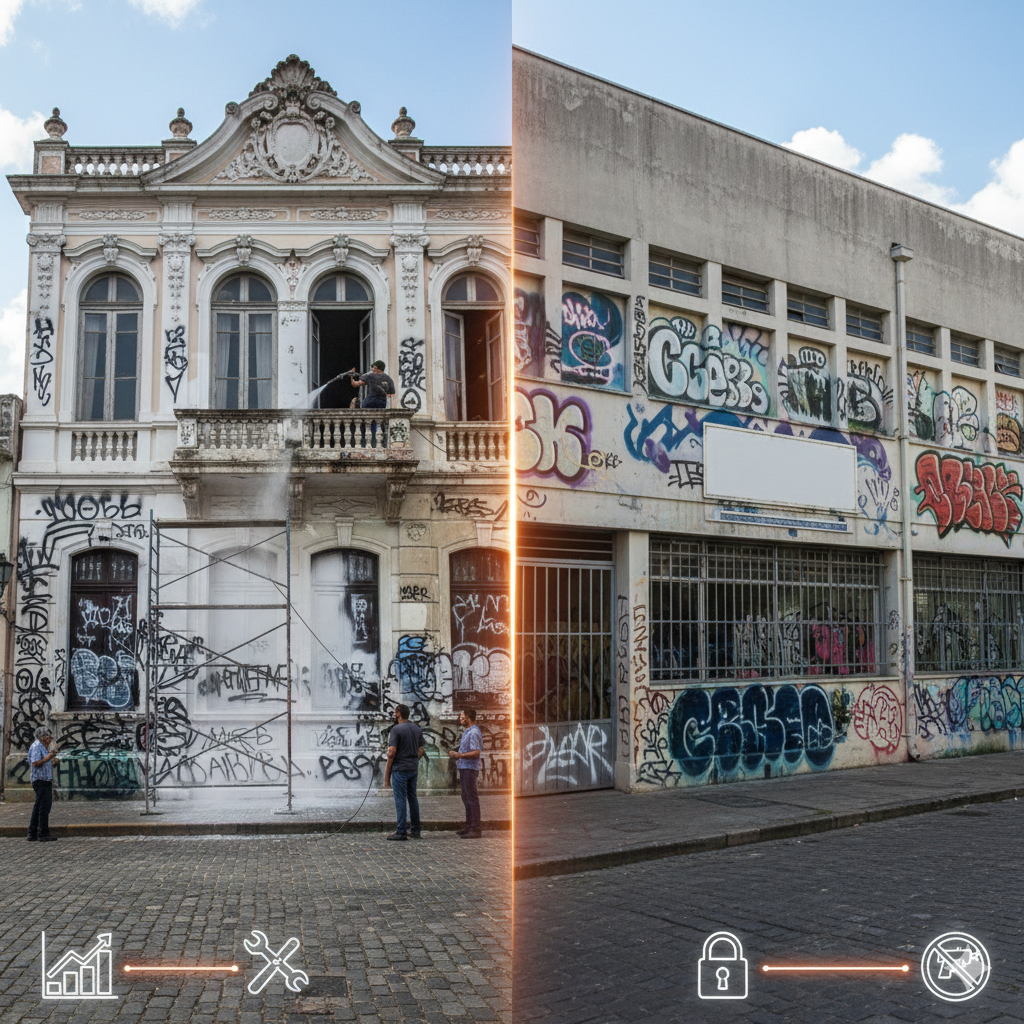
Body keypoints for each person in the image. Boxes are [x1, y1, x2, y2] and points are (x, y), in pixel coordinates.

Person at [383, 704, 424, 841]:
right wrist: (412, 760)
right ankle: (416, 830)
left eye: (395, 712)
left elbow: (391, 752)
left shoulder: (396, 730)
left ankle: (401, 831)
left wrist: (386, 777)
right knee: (413, 798)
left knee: (400, 799)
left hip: (400, 769)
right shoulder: (417, 728)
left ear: (397, 714)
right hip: (413, 768)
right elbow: (421, 751)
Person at [448, 709, 483, 838]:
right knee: (466, 798)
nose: (460, 719)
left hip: (470, 768)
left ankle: (475, 828)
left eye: (462, 717)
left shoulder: (473, 732)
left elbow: (476, 752)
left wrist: (459, 755)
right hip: (465, 767)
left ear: (468, 718)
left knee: (471, 799)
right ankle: (469, 826)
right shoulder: (468, 731)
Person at [27, 726, 59, 842]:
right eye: (48, 736)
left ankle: (33, 832)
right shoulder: (37, 746)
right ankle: (43, 833)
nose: (50, 738)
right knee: (43, 807)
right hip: (40, 780)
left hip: (44, 779)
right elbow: (35, 763)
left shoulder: (42, 747)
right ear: (42, 737)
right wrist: (49, 756)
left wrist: (52, 761)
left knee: (40, 807)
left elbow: (43, 762)